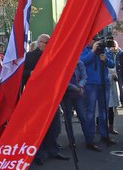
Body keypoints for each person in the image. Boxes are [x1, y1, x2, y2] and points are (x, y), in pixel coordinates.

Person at [23, 34, 70, 163]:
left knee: (54, 125)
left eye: (49, 43)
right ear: (39, 43)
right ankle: (37, 153)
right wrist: (30, 73)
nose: (47, 45)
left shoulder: (53, 56)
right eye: (45, 43)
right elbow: (21, 73)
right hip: (36, 96)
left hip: (51, 95)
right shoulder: (30, 56)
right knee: (37, 126)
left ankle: (53, 150)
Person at [61, 56, 101, 151]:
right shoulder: (62, 63)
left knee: (83, 117)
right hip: (66, 94)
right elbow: (63, 80)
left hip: (78, 94)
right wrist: (77, 88)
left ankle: (89, 141)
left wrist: (81, 86)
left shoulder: (79, 63)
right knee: (68, 119)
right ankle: (72, 141)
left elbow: (84, 76)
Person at [82, 37, 116, 145]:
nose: (95, 42)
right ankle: (89, 138)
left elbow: (112, 64)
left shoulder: (104, 50)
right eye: (93, 40)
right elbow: (82, 62)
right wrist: (92, 52)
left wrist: (105, 59)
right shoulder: (85, 49)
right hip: (91, 84)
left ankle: (104, 135)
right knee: (90, 112)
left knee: (104, 110)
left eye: (96, 40)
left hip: (104, 83)